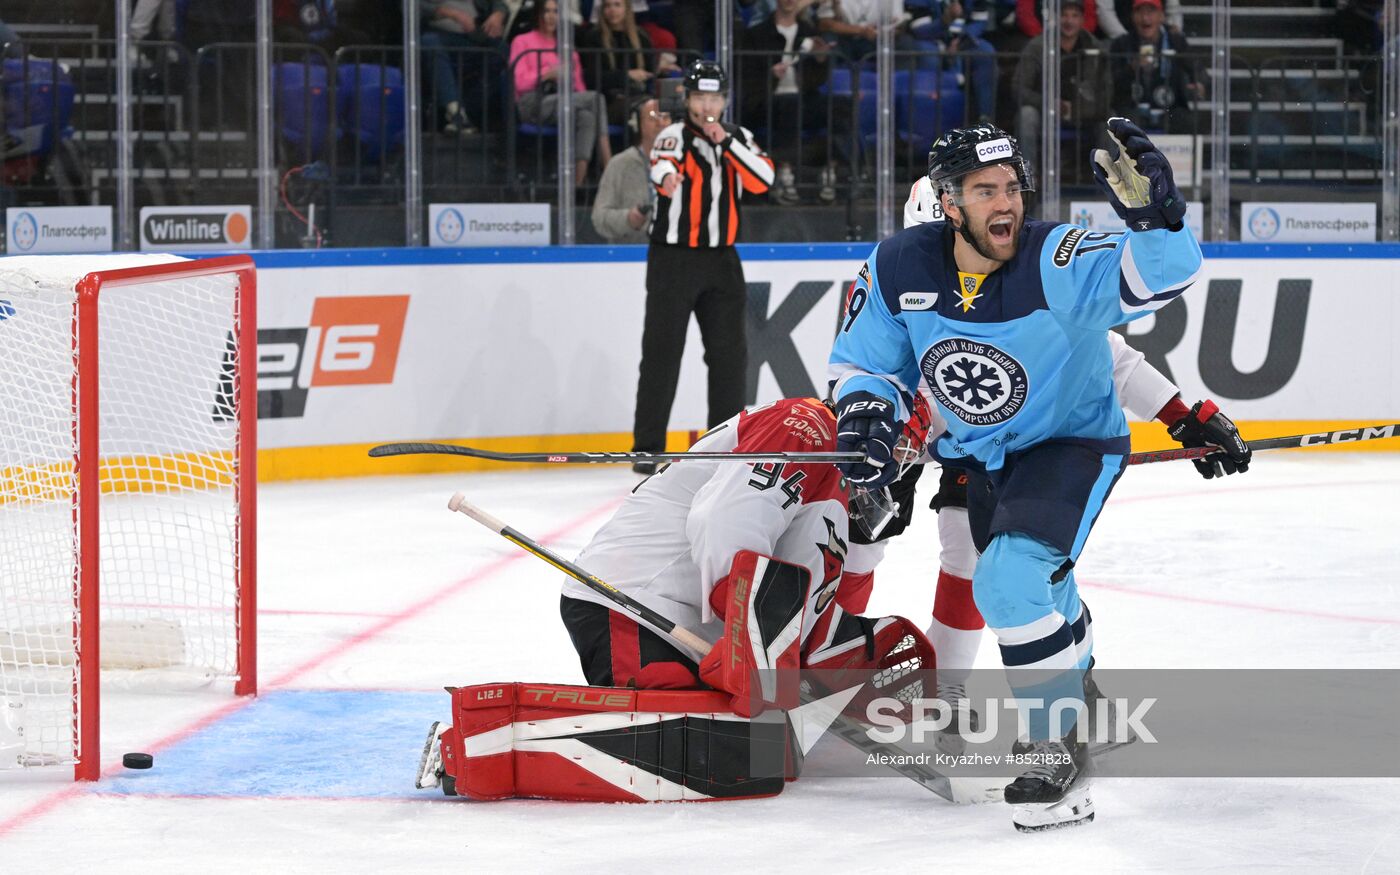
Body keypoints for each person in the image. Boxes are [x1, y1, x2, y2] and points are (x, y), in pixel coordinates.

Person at [827, 120, 1234, 831]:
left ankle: (1057, 752)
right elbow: (866, 362)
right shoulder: (897, 266)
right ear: (949, 203)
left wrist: (1160, 222)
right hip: (982, 456)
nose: (1005, 200)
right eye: (985, 189)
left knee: (1006, 581)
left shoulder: (1055, 257)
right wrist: (868, 411)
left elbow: (1159, 277)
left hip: (1072, 442)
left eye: (1012, 184)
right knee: (1042, 584)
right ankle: (1081, 694)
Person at [418, 396, 939, 802]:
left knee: (759, 755)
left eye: (908, 457)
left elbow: (808, 600)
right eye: (896, 448)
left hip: (710, 628)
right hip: (637, 604)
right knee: (697, 748)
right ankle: (470, 742)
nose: (897, 466)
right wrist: (747, 643)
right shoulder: (804, 425)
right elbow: (726, 522)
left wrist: (832, 664)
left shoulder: (840, 489)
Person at [630, 60, 774, 475]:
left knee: (730, 357)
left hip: (722, 259)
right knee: (661, 354)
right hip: (673, 259)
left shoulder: (739, 138)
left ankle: (724, 448)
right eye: (700, 97)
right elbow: (662, 168)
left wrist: (726, 143)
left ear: (725, 100)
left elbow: (762, 180)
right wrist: (667, 181)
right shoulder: (672, 136)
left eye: (715, 97)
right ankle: (647, 449)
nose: (707, 105)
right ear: (688, 99)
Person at [738, 0, 837, 206]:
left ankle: (834, 169)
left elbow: (817, 80)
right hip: (765, 102)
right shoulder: (756, 34)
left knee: (841, 107)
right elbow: (747, 79)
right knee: (790, 106)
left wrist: (820, 60)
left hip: (802, 99)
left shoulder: (809, 32)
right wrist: (772, 75)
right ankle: (784, 172)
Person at [509, 0, 613, 184]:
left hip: (564, 101)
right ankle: (610, 167)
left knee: (587, 117)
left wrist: (568, 80)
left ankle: (576, 185)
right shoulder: (522, 41)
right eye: (546, 11)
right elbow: (518, 83)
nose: (551, 16)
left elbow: (579, 87)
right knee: (596, 99)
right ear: (538, 14)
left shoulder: (566, 47)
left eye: (555, 12)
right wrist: (546, 74)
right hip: (533, 102)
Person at [1013, 0, 1110, 183]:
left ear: (1082, 20)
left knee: (1112, 122)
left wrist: (1080, 108)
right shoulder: (1037, 46)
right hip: (1045, 112)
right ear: (1055, 18)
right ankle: (1028, 183)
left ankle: (1109, 188)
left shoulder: (1095, 47)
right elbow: (1019, 88)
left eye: (1074, 16)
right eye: (1064, 15)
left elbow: (1106, 91)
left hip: (1085, 113)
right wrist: (1049, 103)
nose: (1069, 21)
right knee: (1026, 116)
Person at [577, 0, 677, 127]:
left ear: (627, 9)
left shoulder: (641, 36)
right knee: (645, 111)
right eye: (608, 6)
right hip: (610, 102)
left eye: (617, 5)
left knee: (665, 108)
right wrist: (626, 75)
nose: (612, 10)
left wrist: (659, 68)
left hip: (640, 96)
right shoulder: (593, 37)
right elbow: (591, 78)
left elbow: (649, 70)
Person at [1108, 0, 1203, 133]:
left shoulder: (1176, 41)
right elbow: (1110, 81)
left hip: (1170, 108)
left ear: (1161, 16)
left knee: (1187, 121)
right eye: (1140, 12)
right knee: (1122, 122)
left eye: (1151, 12)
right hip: (1133, 109)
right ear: (1133, 17)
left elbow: (1197, 68)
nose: (1145, 18)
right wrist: (1132, 68)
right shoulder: (1121, 44)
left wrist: (1199, 83)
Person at [422, 0, 511, 136]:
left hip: (474, 36)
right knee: (430, 42)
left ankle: (466, 113)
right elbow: (412, 6)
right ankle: (455, 111)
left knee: (502, 50)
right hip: (439, 34)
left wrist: (498, 14)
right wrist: (450, 13)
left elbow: (499, 4)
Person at [591, 98, 667, 244]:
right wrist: (628, 219)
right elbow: (599, 218)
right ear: (639, 125)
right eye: (653, 117)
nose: (661, 123)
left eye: (666, 117)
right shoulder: (620, 164)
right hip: (630, 257)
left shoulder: (686, 163)